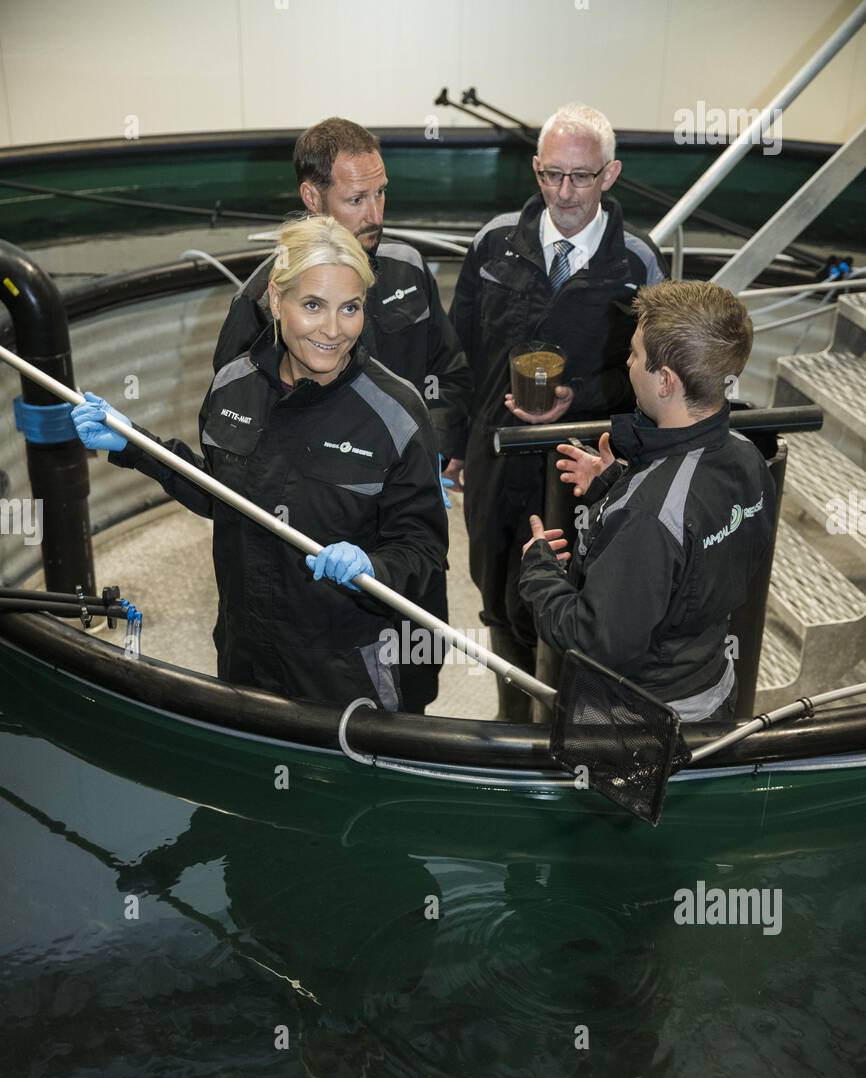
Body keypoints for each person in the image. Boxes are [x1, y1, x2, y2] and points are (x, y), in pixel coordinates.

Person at [71, 216, 448, 712]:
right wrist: (134, 445)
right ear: (276, 300)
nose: (334, 330)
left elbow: (422, 549)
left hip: (346, 666)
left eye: (350, 308)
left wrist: (371, 566)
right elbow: (221, 494)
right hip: (245, 649)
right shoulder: (233, 384)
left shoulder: (395, 414)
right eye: (313, 305)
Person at [214, 117, 473, 712]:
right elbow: (237, 442)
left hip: (406, 539)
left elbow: (450, 373)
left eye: (382, 192)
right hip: (310, 563)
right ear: (313, 197)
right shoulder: (258, 304)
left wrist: (429, 455)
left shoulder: (407, 271)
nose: (376, 212)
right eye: (358, 199)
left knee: (407, 693)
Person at [448, 104, 667, 720]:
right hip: (497, 466)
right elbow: (460, 355)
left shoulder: (637, 265)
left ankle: (566, 730)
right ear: (536, 169)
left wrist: (582, 399)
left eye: (581, 177)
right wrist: (458, 446)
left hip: (586, 472)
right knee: (499, 595)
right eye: (551, 175)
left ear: (611, 174)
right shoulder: (494, 245)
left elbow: (656, 376)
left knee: (575, 599)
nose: (564, 193)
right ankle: (513, 723)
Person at [519, 280, 775, 721]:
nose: (627, 361)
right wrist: (618, 484)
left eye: (635, 353)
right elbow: (697, 556)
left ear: (666, 381)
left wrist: (538, 571)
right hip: (710, 689)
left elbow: (594, 641)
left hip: (635, 721)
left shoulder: (648, 514)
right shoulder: (746, 456)